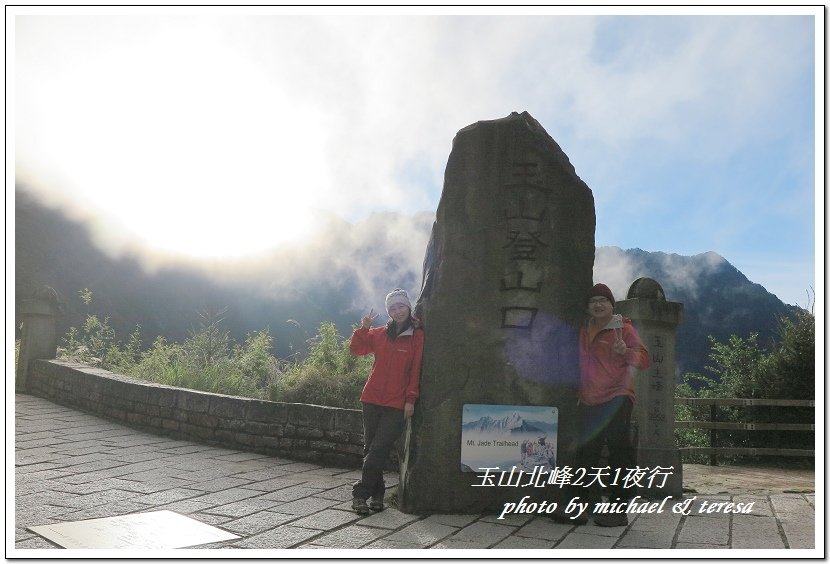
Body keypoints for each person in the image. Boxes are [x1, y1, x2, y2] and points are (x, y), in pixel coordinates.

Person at [552, 283, 650, 527]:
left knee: (619, 452)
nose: (598, 305)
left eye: (603, 301)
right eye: (593, 301)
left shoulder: (624, 329)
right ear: (587, 307)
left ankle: (618, 508)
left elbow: (645, 359)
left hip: (617, 396)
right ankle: (581, 506)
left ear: (611, 305)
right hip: (588, 398)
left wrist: (625, 351)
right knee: (586, 453)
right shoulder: (584, 330)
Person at [348, 288, 424, 515]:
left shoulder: (417, 336)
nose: (397, 311)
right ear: (388, 312)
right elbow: (357, 350)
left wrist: (411, 400)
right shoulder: (380, 333)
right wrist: (364, 328)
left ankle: (360, 494)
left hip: (396, 403)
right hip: (371, 398)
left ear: (408, 307)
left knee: (378, 448)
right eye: (392, 308)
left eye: (401, 306)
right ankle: (378, 495)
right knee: (371, 449)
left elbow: (415, 370)